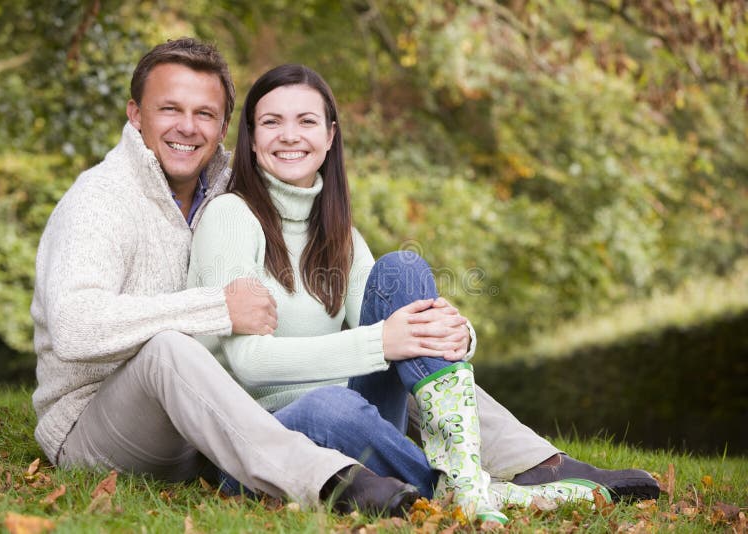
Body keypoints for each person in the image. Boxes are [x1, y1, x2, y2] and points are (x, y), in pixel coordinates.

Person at [188, 64, 660, 523]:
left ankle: (474, 479)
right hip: (263, 446)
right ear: (250, 140)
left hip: (359, 432)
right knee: (330, 405)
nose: (290, 135)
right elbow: (248, 361)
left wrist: (460, 334)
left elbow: (402, 327)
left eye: (306, 121)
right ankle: (482, 487)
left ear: (330, 137)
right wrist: (381, 343)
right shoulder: (231, 216)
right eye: (272, 122)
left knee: (403, 269)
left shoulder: (338, 232)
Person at [30, 38, 421, 517]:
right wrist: (217, 307)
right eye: (169, 108)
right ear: (135, 115)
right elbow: (74, 326)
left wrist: (443, 336)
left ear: (224, 128)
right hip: (96, 428)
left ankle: (516, 464)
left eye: (205, 114)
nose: (187, 127)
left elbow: (291, 162)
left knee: (406, 329)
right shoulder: (100, 200)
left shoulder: (224, 187)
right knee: (170, 348)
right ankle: (326, 478)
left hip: (200, 431)